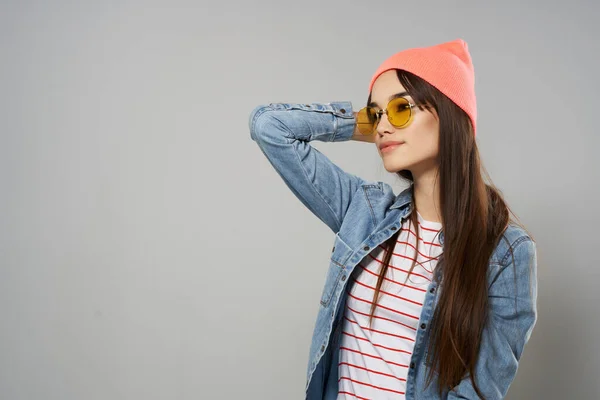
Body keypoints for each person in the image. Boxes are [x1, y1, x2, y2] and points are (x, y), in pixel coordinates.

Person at [248, 38, 538, 400]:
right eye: (375, 115)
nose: (382, 127)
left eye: (400, 110)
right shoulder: (365, 212)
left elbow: (481, 388)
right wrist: (357, 125)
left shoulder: (506, 253)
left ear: (449, 114)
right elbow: (270, 127)